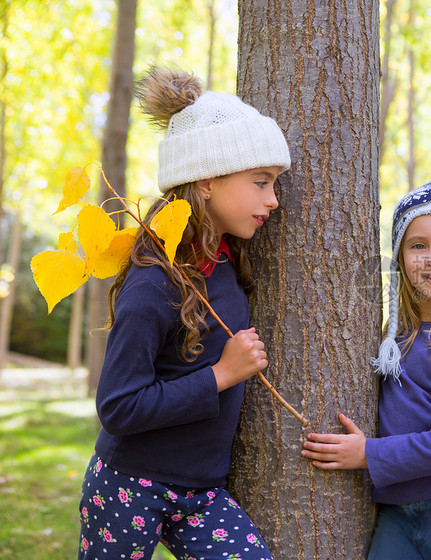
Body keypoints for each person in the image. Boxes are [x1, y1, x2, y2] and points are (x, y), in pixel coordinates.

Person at [77, 67, 290, 560]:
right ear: (208, 180)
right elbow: (117, 407)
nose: (273, 199)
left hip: (201, 493)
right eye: (261, 182)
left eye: (274, 184)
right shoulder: (153, 281)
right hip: (129, 486)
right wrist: (220, 375)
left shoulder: (225, 263)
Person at [301, 181, 431, 559]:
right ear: (399, 258)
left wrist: (369, 455)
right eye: (418, 245)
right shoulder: (393, 337)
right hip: (395, 512)